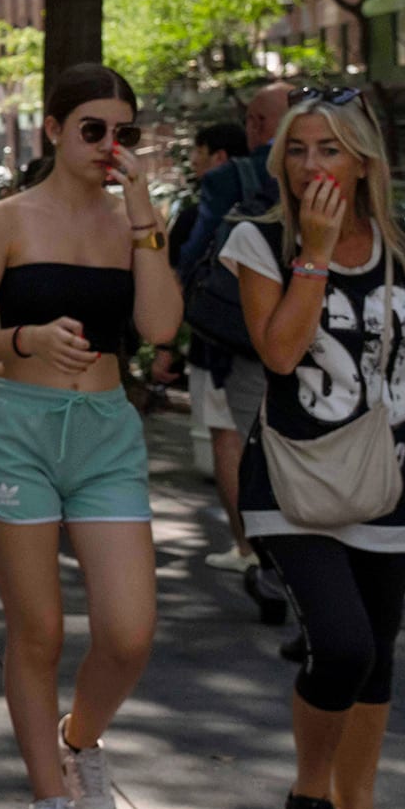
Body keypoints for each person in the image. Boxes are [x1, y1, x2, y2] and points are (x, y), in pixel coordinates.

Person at [0, 64, 182, 809]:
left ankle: (80, 741)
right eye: (93, 128)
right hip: (19, 429)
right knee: (38, 629)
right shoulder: (7, 219)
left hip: (107, 432)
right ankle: (49, 799)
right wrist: (28, 339)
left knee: (128, 631)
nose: (110, 146)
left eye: (126, 132)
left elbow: (157, 326)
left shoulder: (133, 226)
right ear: (52, 130)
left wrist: (147, 219)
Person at [223, 86, 405, 809]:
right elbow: (279, 354)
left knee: (377, 656)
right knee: (342, 644)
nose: (310, 163)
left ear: (363, 160)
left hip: (391, 475)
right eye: (297, 148)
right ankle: (308, 802)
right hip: (295, 476)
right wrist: (313, 250)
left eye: (328, 148)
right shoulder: (257, 240)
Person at [179, 81, 295, 622]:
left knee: (232, 438)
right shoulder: (337, 183)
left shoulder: (228, 180)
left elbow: (197, 250)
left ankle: (252, 547)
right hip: (301, 336)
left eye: (257, 119)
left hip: (232, 340)